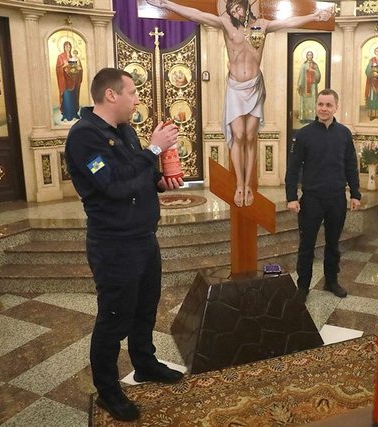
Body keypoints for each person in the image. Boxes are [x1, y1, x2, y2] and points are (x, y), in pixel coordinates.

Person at [65, 68, 184, 421]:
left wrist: (160, 181)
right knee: (114, 319)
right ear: (111, 95)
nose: (136, 99)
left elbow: (139, 174)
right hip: (114, 244)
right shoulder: (84, 137)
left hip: (144, 238)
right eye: (132, 93)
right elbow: (113, 185)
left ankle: (144, 364)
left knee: (145, 308)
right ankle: (108, 391)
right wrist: (154, 149)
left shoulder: (126, 131)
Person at [146, 0, 331, 207]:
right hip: (235, 87)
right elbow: (197, 14)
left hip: (255, 86)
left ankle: (248, 185)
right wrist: (167, 3)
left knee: (250, 137)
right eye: (232, 10)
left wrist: (313, 16)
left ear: (246, 6)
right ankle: (239, 185)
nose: (235, 12)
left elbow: (288, 22)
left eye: (237, 8)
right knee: (238, 135)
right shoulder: (226, 24)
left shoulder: (262, 25)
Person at [285, 89, 361, 302]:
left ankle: (331, 281)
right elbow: (293, 168)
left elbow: (351, 165)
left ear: (336, 107)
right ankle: (303, 286)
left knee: (333, 244)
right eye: (320, 104)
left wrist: (355, 194)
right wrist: (291, 197)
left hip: (337, 198)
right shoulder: (304, 134)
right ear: (316, 106)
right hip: (312, 199)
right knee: (306, 245)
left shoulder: (344, 134)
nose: (324, 109)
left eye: (328, 105)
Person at [56, 41, 83, 121]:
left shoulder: (74, 57)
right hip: (65, 82)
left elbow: (79, 68)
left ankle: (74, 114)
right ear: (64, 47)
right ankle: (66, 115)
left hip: (73, 81)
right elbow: (58, 68)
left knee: (73, 98)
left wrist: (79, 68)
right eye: (66, 46)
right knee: (66, 98)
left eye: (69, 46)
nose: (68, 48)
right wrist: (64, 65)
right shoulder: (60, 57)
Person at [297, 51, 321, 123]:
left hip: (313, 86)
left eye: (311, 55)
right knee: (304, 101)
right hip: (305, 87)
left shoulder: (315, 65)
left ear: (313, 56)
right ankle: (304, 118)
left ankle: (313, 117)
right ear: (306, 56)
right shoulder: (304, 65)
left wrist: (313, 71)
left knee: (313, 101)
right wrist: (299, 85)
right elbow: (301, 75)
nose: (310, 56)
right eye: (308, 55)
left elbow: (318, 76)